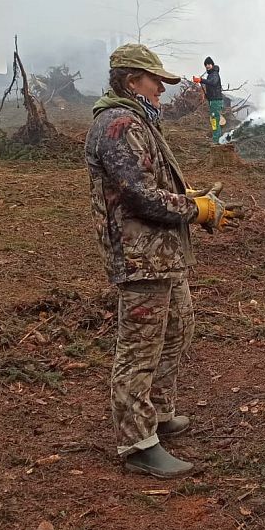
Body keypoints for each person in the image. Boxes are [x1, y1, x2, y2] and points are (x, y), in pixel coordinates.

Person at [85, 43, 243, 478]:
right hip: (140, 255)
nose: (163, 88)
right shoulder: (118, 125)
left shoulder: (139, 120)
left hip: (162, 252)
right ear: (132, 81)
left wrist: (187, 196)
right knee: (139, 348)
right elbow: (138, 196)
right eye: (156, 81)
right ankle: (138, 443)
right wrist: (197, 210)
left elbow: (147, 181)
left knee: (177, 329)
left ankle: (157, 413)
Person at [201, 56, 223, 143]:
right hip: (213, 100)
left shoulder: (214, 74)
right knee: (214, 120)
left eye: (209, 64)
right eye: (206, 65)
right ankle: (219, 139)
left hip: (215, 101)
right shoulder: (211, 74)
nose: (207, 66)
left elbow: (213, 83)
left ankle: (216, 141)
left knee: (214, 120)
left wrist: (201, 80)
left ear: (212, 65)